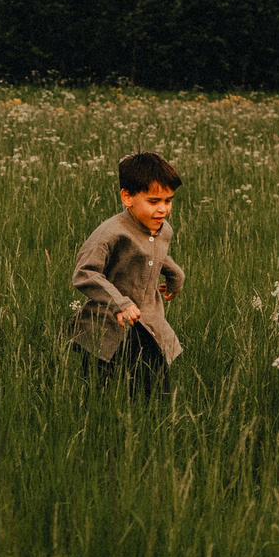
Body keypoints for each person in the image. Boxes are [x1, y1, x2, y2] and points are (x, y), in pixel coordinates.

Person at [72, 152, 185, 394]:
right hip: (109, 327)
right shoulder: (110, 234)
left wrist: (175, 275)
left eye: (168, 200)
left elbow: (154, 253)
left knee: (155, 391)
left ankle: (153, 427)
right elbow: (85, 273)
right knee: (102, 391)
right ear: (127, 197)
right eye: (154, 201)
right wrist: (120, 303)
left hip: (148, 321)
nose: (163, 209)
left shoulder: (163, 229)